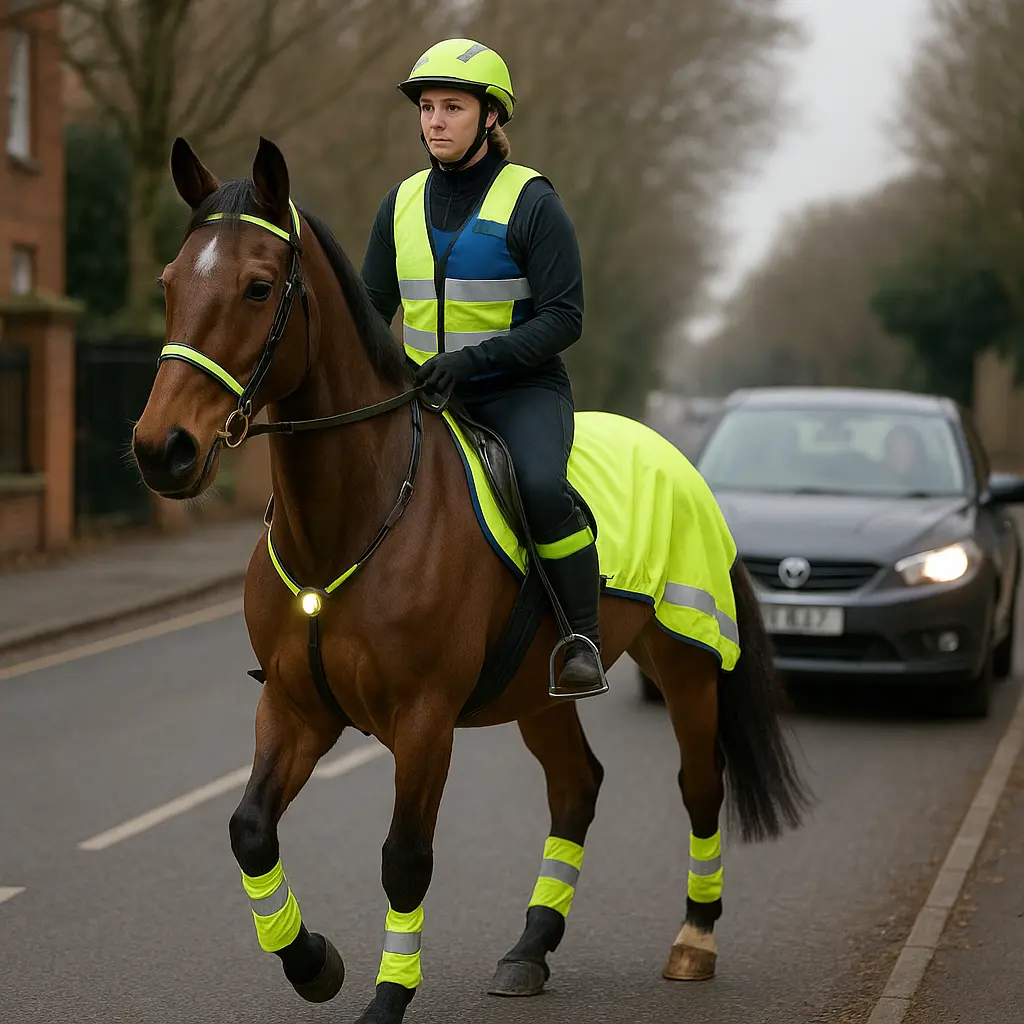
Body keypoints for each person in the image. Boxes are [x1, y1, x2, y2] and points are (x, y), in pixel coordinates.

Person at [360, 38, 604, 698]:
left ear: (491, 117)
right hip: (421, 392)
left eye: (453, 108)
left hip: (517, 391)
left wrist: (473, 361)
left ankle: (581, 637)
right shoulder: (400, 203)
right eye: (428, 108)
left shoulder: (531, 201)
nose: (435, 121)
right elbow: (369, 311)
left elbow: (565, 318)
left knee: (542, 488)